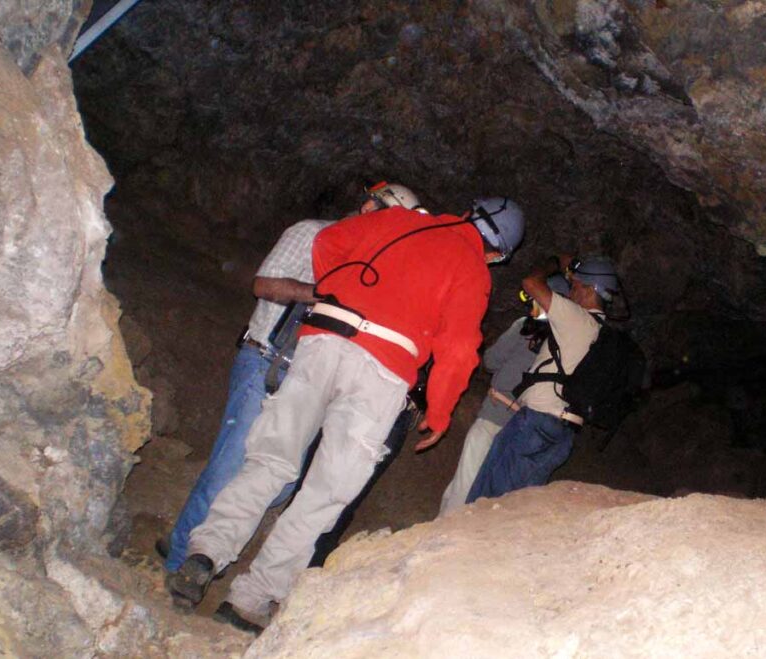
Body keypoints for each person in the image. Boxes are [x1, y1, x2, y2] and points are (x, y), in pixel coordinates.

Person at [168, 195, 525, 631]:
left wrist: (345, 289)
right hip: (381, 373)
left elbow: (329, 242)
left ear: (470, 212)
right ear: (497, 253)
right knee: (325, 491)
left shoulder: (400, 220)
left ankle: (205, 551)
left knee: (270, 460)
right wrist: (440, 411)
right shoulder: (472, 269)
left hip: (322, 342)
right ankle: (250, 599)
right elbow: (458, 350)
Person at [160, 182, 422, 575]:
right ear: (370, 206)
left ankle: (195, 542)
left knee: (279, 482)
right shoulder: (311, 232)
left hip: (304, 378)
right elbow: (263, 284)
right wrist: (325, 294)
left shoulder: (367, 265)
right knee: (231, 467)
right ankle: (182, 559)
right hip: (266, 361)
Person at [466, 255, 621, 503]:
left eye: (575, 285)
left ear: (591, 289)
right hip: (563, 434)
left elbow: (531, 283)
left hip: (536, 423)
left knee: (486, 500)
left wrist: (553, 264)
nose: (570, 292)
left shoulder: (576, 318)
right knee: (513, 506)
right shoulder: (602, 333)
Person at [439, 274, 571, 515]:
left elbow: (490, 360)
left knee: (465, 483)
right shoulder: (567, 344)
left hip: (495, 414)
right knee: (495, 493)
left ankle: (439, 539)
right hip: (526, 429)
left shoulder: (524, 327)